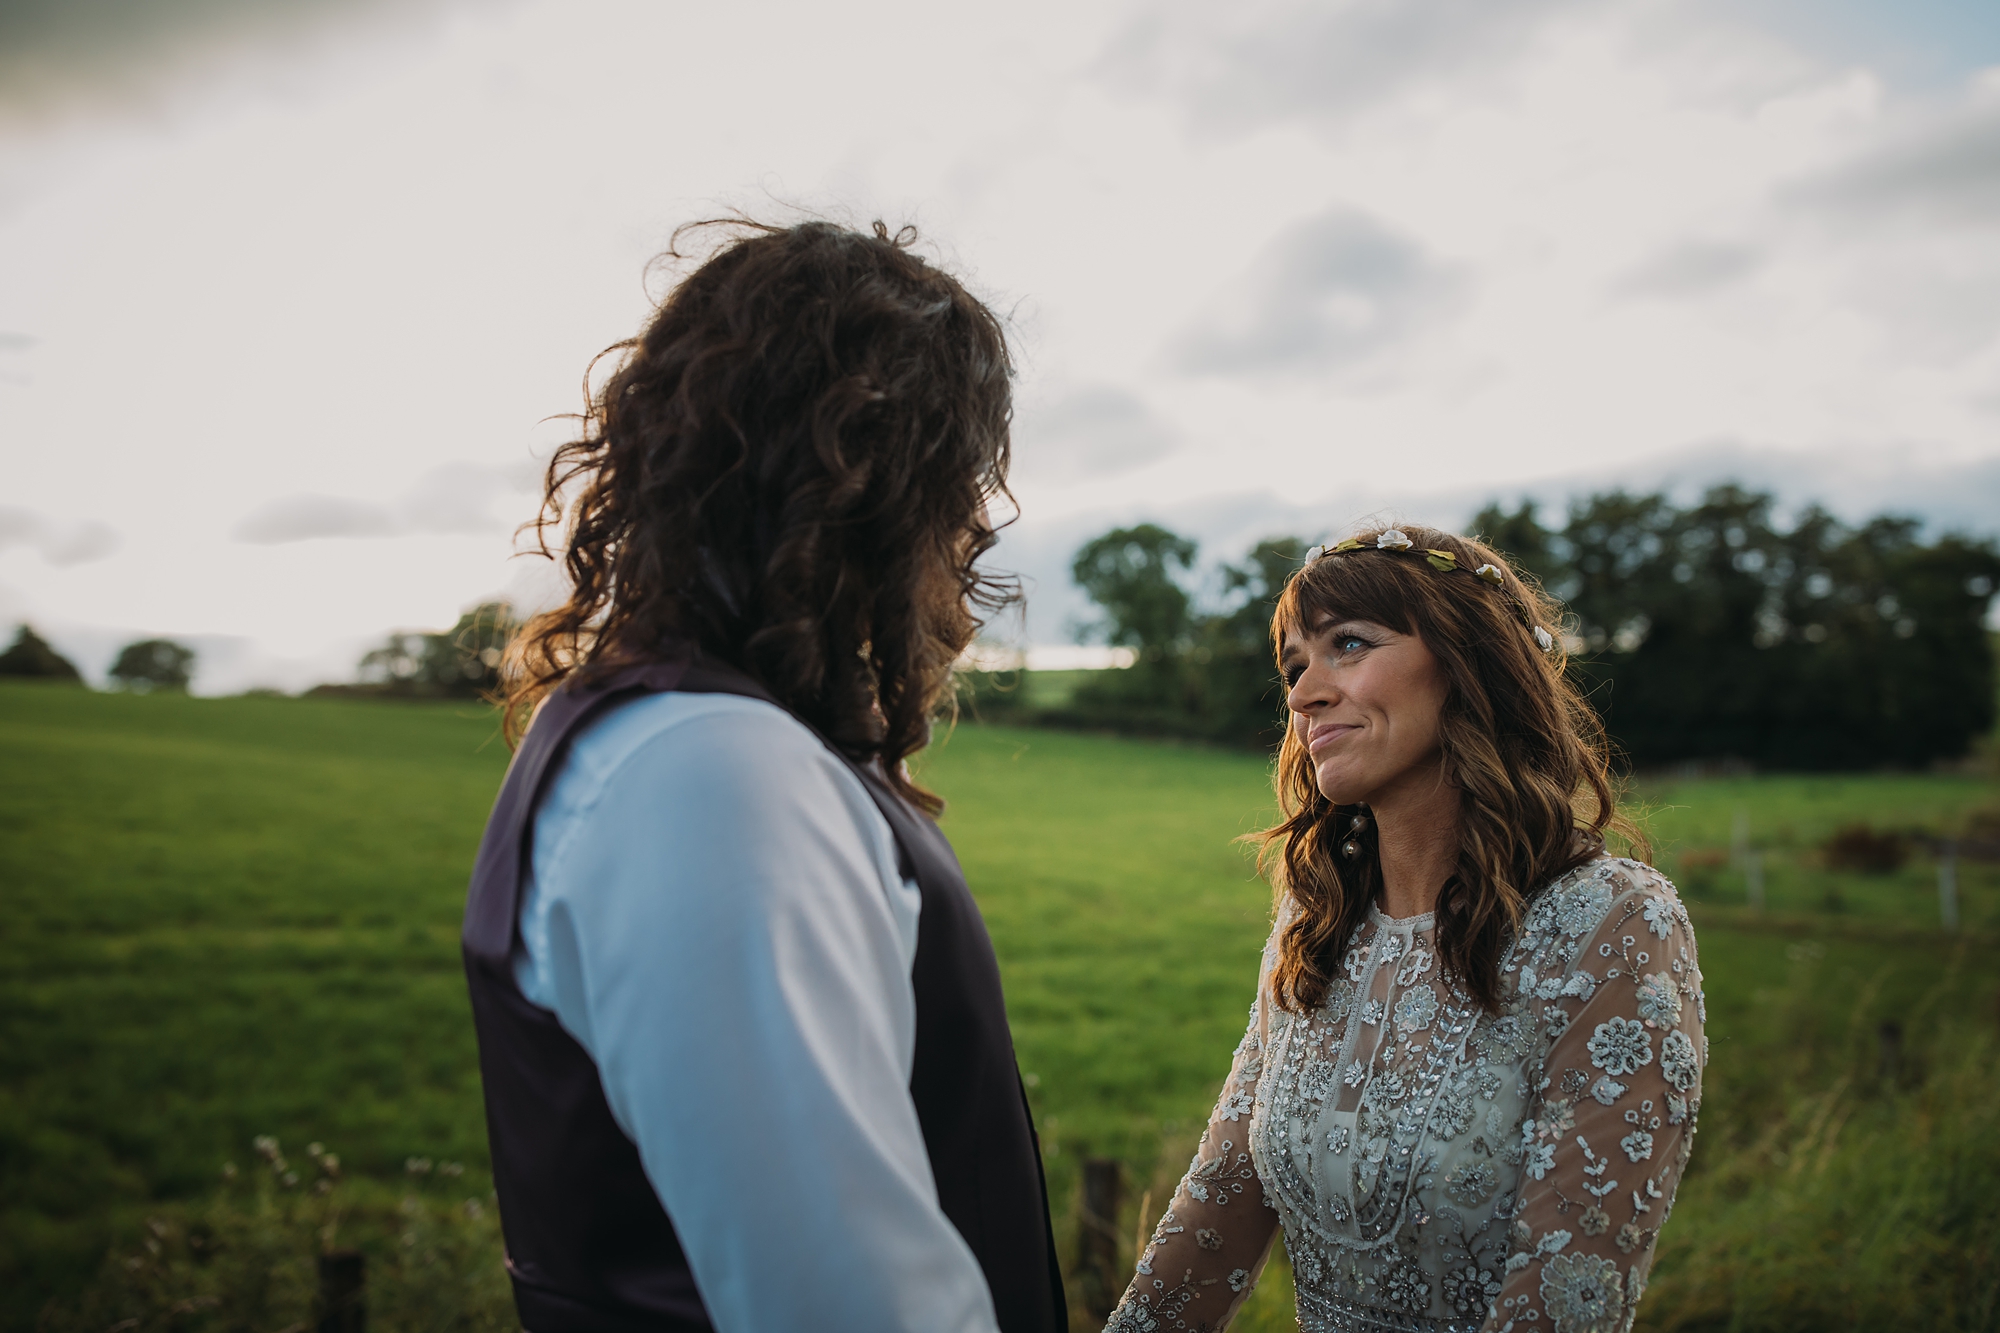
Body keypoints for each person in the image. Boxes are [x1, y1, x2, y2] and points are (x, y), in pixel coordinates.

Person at [460, 220, 1066, 1333]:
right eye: (961, 478)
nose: (977, 530)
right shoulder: (710, 776)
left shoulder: (683, 743)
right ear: (869, 482)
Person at [1104, 524, 1706, 1333]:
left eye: (1347, 643)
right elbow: (1218, 1210)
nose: (1303, 692)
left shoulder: (1613, 925)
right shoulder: (1316, 923)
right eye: (1293, 665)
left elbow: (1566, 1304)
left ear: (1467, 663)